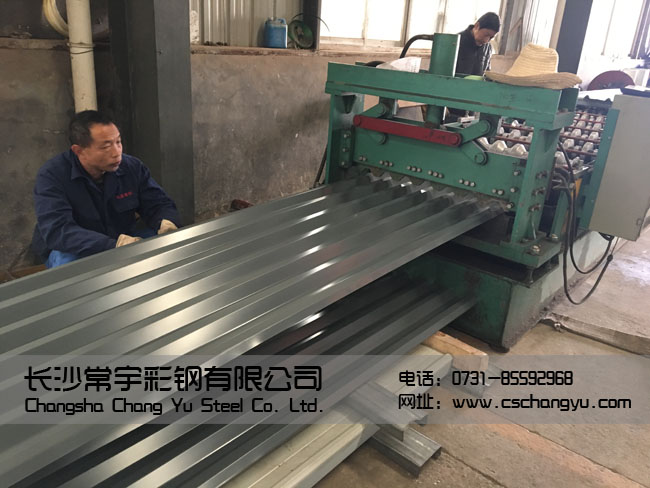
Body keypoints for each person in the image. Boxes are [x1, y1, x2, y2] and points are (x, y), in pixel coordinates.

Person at [32, 110, 181, 268]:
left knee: (167, 244)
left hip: (121, 239)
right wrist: (113, 245)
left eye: (118, 142)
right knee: (69, 265)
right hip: (76, 248)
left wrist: (166, 221)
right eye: (105, 147)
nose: (117, 153)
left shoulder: (132, 167)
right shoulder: (52, 176)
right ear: (79, 150)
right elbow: (58, 230)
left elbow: (158, 203)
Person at [456, 12, 501, 76]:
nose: (486, 40)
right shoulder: (456, 43)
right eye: (486, 35)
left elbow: (486, 73)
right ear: (477, 26)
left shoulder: (488, 48)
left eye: (491, 37)